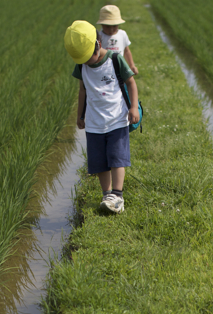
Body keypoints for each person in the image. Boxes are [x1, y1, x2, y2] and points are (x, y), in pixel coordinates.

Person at [64, 20, 139, 214]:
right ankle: (107, 195)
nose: (88, 62)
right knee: (99, 161)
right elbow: (82, 90)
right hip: (94, 123)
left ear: (98, 43)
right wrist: (80, 115)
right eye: (83, 59)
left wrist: (133, 108)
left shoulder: (115, 59)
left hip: (116, 119)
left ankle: (118, 195)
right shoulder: (82, 66)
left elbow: (131, 82)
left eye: (90, 56)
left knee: (117, 157)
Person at [97, 5, 138, 74]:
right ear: (101, 24)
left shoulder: (122, 34)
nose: (111, 29)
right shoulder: (99, 36)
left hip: (120, 68)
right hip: (104, 70)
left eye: (114, 26)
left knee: (122, 83)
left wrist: (132, 65)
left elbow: (126, 51)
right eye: (107, 26)